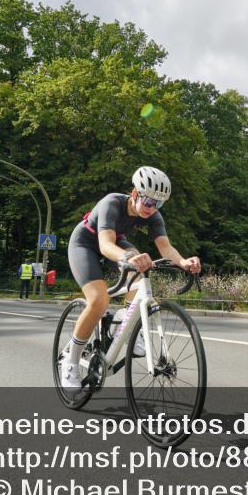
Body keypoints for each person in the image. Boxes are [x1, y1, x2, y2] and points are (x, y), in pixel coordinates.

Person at [59, 166, 201, 393]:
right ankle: (71, 361)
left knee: (141, 273)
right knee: (98, 300)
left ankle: (124, 319)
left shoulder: (153, 214)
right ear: (135, 193)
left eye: (158, 204)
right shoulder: (111, 203)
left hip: (117, 241)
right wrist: (128, 257)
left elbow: (165, 247)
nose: (152, 208)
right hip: (86, 242)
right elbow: (105, 245)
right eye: (148, 201)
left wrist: (183, 262)